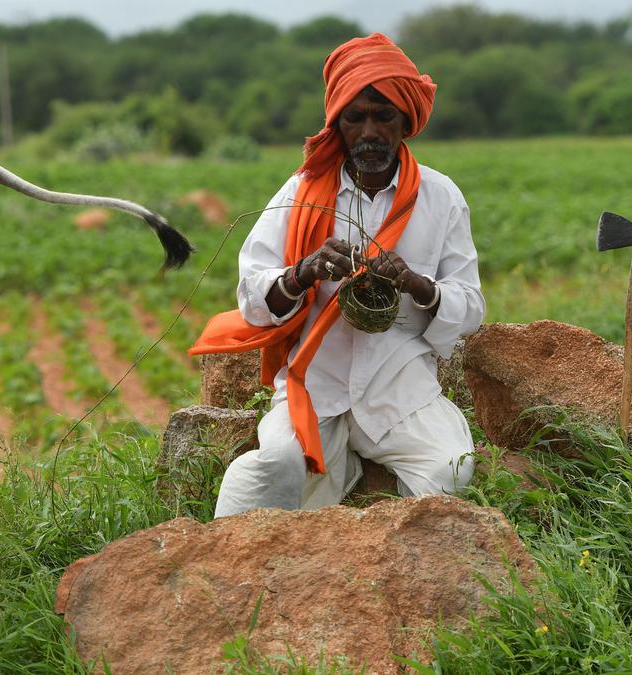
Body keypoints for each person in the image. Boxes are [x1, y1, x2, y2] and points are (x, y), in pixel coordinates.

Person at [190, 33, 484, 517]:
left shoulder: (440, 197)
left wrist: (415, 284)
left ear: (405, 121)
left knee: (449, 468)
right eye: (355, 118)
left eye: (383, 116)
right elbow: (252, 293)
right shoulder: (302, 191)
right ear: (338, 124)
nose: (370, 131)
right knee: (278, 464)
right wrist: (304, 271)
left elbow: (470, 305)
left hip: (399, 382)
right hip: (315, 378)